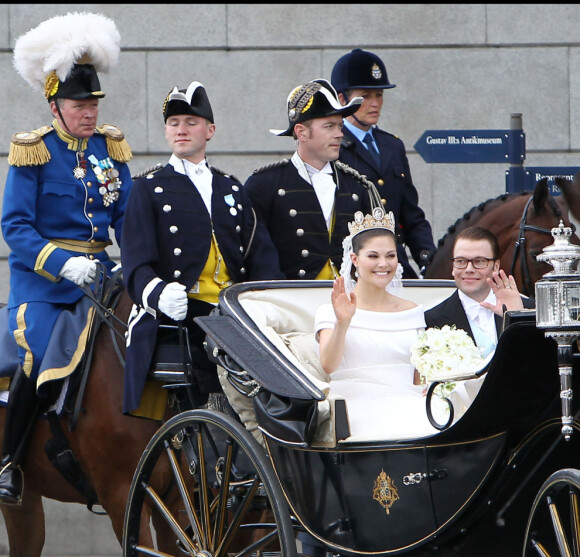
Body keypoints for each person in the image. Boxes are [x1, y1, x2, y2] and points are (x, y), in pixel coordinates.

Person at [0, 12, 132, 506]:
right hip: (45, 288)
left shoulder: (109, 149)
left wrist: (138, 268)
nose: (88, 112)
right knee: (35, 355)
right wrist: (61, 263)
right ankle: (10, 463)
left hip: (101, 277)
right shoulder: (33, 151)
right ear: (55, 105)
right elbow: (15, 227)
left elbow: (127, 219)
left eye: (93, 103)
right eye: (78, 104)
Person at [121, 80, 283, 418]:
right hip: (180, 313)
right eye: (173, 123)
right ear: (166, 132)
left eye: (191, 122)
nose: (181, 130)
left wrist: (265, 304)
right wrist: (159, 292)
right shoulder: (147, 188)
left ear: (209, 130)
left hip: (231, 313)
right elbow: (136, 264)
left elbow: (261, 256)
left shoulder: (231, 188)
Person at [314, 207, 437, 441]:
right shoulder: (330, 311)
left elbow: (418, 377)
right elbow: (328, 365)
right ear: (355, 260)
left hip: (409, 404)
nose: (383, 264)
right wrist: (343, 322)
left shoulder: (412, 311)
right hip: (355, 406)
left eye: (390, 256)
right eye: (373, 256)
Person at [244, 79, 383, 280]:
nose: (339, 134)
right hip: (291, 301)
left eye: (340, 126)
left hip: (350, 299)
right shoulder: (265, 185)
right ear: (301, 132)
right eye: (329, 126)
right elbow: (258, 257)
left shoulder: (358, 185)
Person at [331, 48, 436, 279]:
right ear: (342, 98)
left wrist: (429, 261)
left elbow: (411, 214)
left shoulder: (392, 146)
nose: (375, 103)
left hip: (396, 266)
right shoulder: (333, 146)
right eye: (365, 96)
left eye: (379, 95)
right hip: (354, 271)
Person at [424, 226, 535, 357]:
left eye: (479, 261)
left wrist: (517, 318)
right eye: (461, 261)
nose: (469, 269)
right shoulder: (431, 319)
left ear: (496, 266)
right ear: (453, 267)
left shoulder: (529, 310)